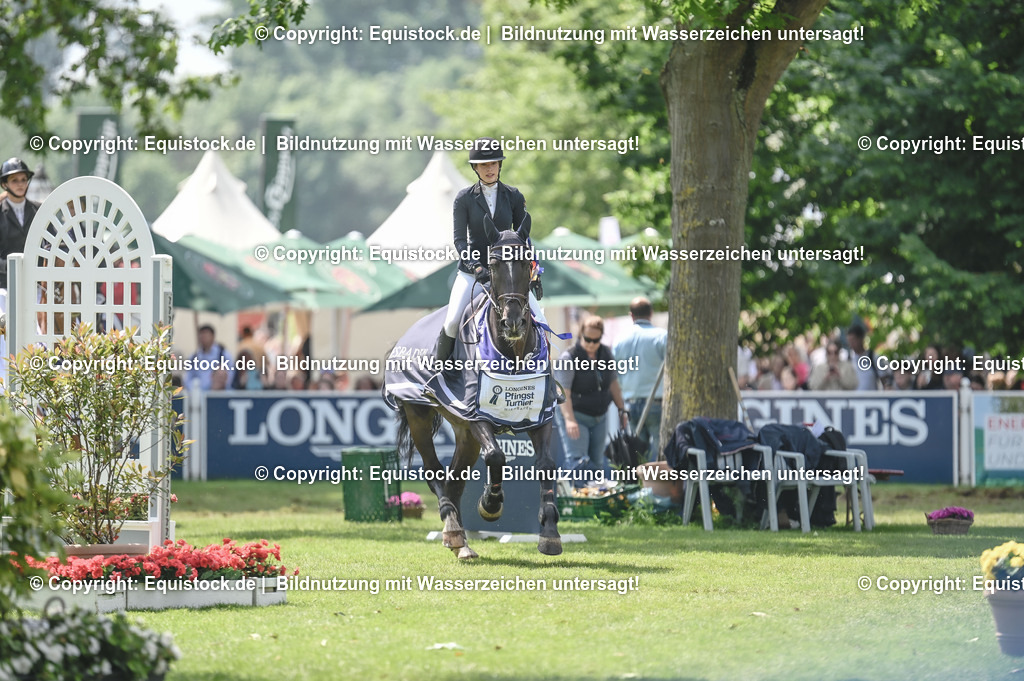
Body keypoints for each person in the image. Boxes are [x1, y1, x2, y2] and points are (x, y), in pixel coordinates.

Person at [436, 137, 547, 360]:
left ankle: (547, 376)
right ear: (475, 168)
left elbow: (524, 238)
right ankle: (439, 373)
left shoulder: (514, 196)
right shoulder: (464, 198)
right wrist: (476, 267)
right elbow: (460, 241)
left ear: (499, 165)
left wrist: (532, 272)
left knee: (542, 321)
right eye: (484, 165)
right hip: (473, 275)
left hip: (509, 275)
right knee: (452, 321)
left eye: (494, 163)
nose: (489, 169)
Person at [554, 316, 629, 473]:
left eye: (596, 340)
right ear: (580, 335)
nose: (591, 344)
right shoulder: (569, 357)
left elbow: (613, 384)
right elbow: (562, 392)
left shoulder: (606, 353)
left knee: (597, 463)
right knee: (578, 462)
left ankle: (594, 496)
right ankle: (574, 497)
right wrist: (569, 420)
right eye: (587, 339)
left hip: (599, 417)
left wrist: (622, 409)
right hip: (575, 415)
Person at [612, 297, 666, 459]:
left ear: (631, 315)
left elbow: (613, 373)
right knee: (660, 452)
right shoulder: (662, 336)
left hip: (631, 402)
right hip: (656, 401)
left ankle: (640, 484)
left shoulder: (619, 340)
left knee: (637, 453)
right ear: (651, 313)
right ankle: (659, 484)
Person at [0, 158, 39, 287]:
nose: (20, 184)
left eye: (23, 180)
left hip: (36, 284)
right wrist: (10, 266)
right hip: (4, 285)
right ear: (4, 184)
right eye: (14, 180)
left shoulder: (39, 210)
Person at [184, 325, 234, 391]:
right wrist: (193, 390)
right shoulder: (194, 357)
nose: (204, 338)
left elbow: (230, 374)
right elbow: (188, 377)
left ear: (213, 337)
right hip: (200, 395)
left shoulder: (223, 354)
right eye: (202, 336)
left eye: (206, 335)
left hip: (218, 393)